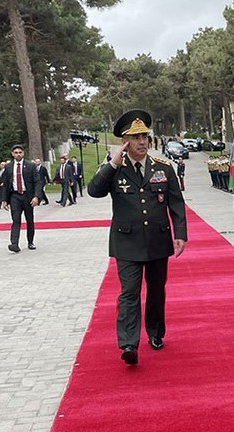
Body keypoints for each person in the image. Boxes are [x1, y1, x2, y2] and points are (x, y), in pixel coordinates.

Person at [88, 109, 187, 365]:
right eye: (135, 138)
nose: (142, 142)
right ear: (125, 142)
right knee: (129, 292)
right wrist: (111, 164)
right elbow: (94, 191)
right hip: (127, 242)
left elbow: (176, 204)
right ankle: (129, 343)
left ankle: (155, 333)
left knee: (156, 291)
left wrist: (180, 235)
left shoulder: (163, 168)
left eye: (144, 136)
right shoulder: (114, 169)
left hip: (157, 240)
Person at [1, 144, 43, 252]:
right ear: (12, 154)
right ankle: (14, 243)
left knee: (29, 220)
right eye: (16, 153)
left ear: (23, 153)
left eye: (20, 152)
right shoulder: (9, 167)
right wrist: (4, 200)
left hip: (27, 196)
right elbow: (5, 184)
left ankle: (30, 241)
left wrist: (36, 197)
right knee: (16, 220)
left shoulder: (30, 166)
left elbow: (37, 182)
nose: (18, 154)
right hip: (15, 196)